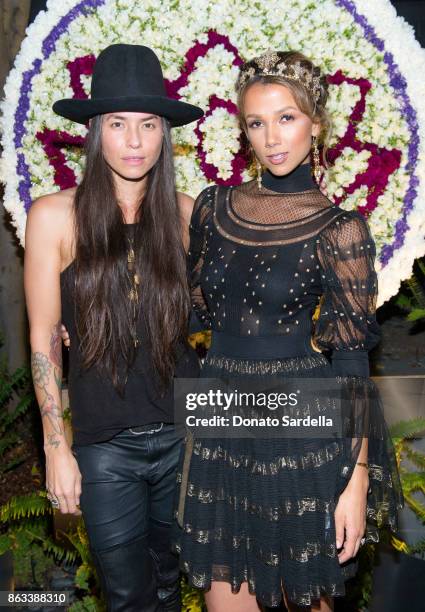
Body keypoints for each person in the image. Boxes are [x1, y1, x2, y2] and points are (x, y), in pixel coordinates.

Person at [173, 51, 403, 612]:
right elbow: (186, 315)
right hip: (222, 418)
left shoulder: (341, 229)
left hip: (303, 428)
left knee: (306, 598)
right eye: (257, 122)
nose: (272, 137)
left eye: (287, 118)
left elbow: (351, 365)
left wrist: (355, 480)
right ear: (243, 130)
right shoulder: (213, 207)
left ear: (315, 124)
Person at [24, 43, 203, 612]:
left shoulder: (185, 213)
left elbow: (215, 319)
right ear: (95, 130)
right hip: (105, 448)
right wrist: (57, 447)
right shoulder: (54, 216)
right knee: (127, 597)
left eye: (148, 124)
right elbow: (46, 338)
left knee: (174, 586)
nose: (133, 140)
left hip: (184, 436)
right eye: (118, 124)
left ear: (163, 133)